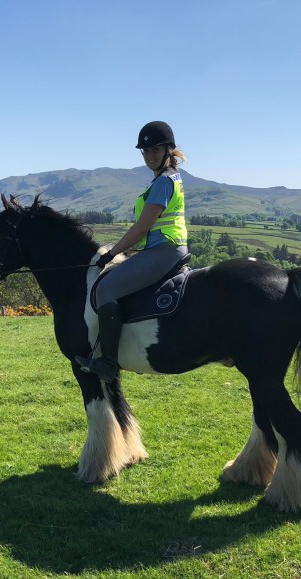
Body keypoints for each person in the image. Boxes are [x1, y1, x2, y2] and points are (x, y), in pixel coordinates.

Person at [76, 121, 189, 383]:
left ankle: (108, 362)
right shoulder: (168, 177)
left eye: (155, 150)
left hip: (165, 251)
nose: (150, 156)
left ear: (168, 150)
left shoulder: (163, 182)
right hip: (163, 249)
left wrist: (111, 253)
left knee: (105, 289)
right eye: (145, 151)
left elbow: (142, 227)